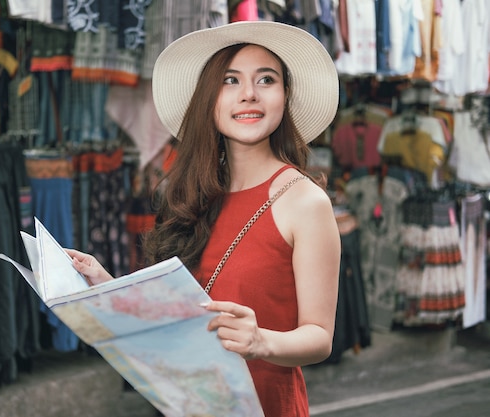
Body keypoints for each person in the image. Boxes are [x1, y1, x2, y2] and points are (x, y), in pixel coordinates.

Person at [66, 20, 341, 417]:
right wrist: (105, 286)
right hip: (189, 404)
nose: (248, 94)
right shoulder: (194, 195)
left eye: (266, 80)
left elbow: (319, 337)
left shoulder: (305, 202)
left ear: (285, 96)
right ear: (209, 99)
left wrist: (261, 341)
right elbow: (181, 313)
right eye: (230, 80)